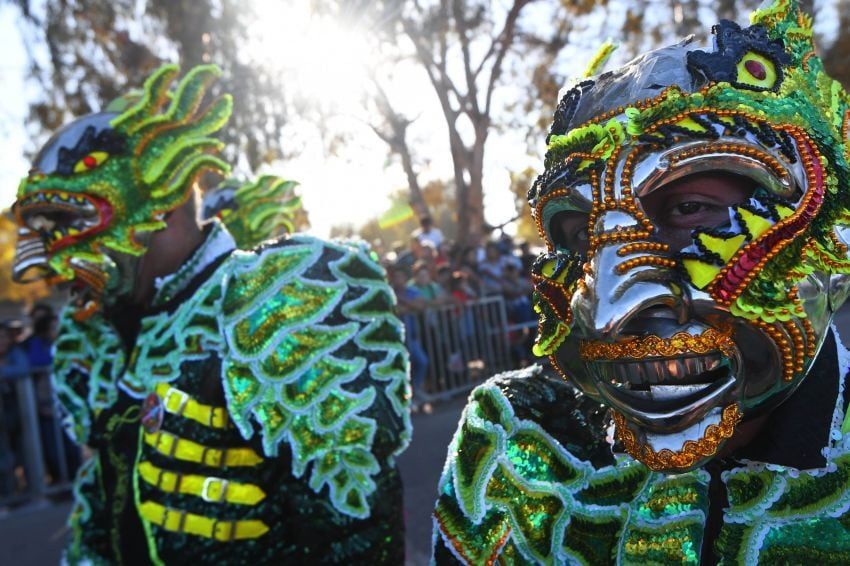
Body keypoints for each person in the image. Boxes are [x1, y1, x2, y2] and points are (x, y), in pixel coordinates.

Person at [432, 1, 850, 562]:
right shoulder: (516, 438)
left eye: (691, 209)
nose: (606, 312)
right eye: (580, 240)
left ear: (834, 230)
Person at [12, 64, 411, 564]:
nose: (50, 259)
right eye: (48, 234)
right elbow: (104, 497)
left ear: (165, 202)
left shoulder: (274, 295)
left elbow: (355, 526)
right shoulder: (100, 329)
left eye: (75, 224)